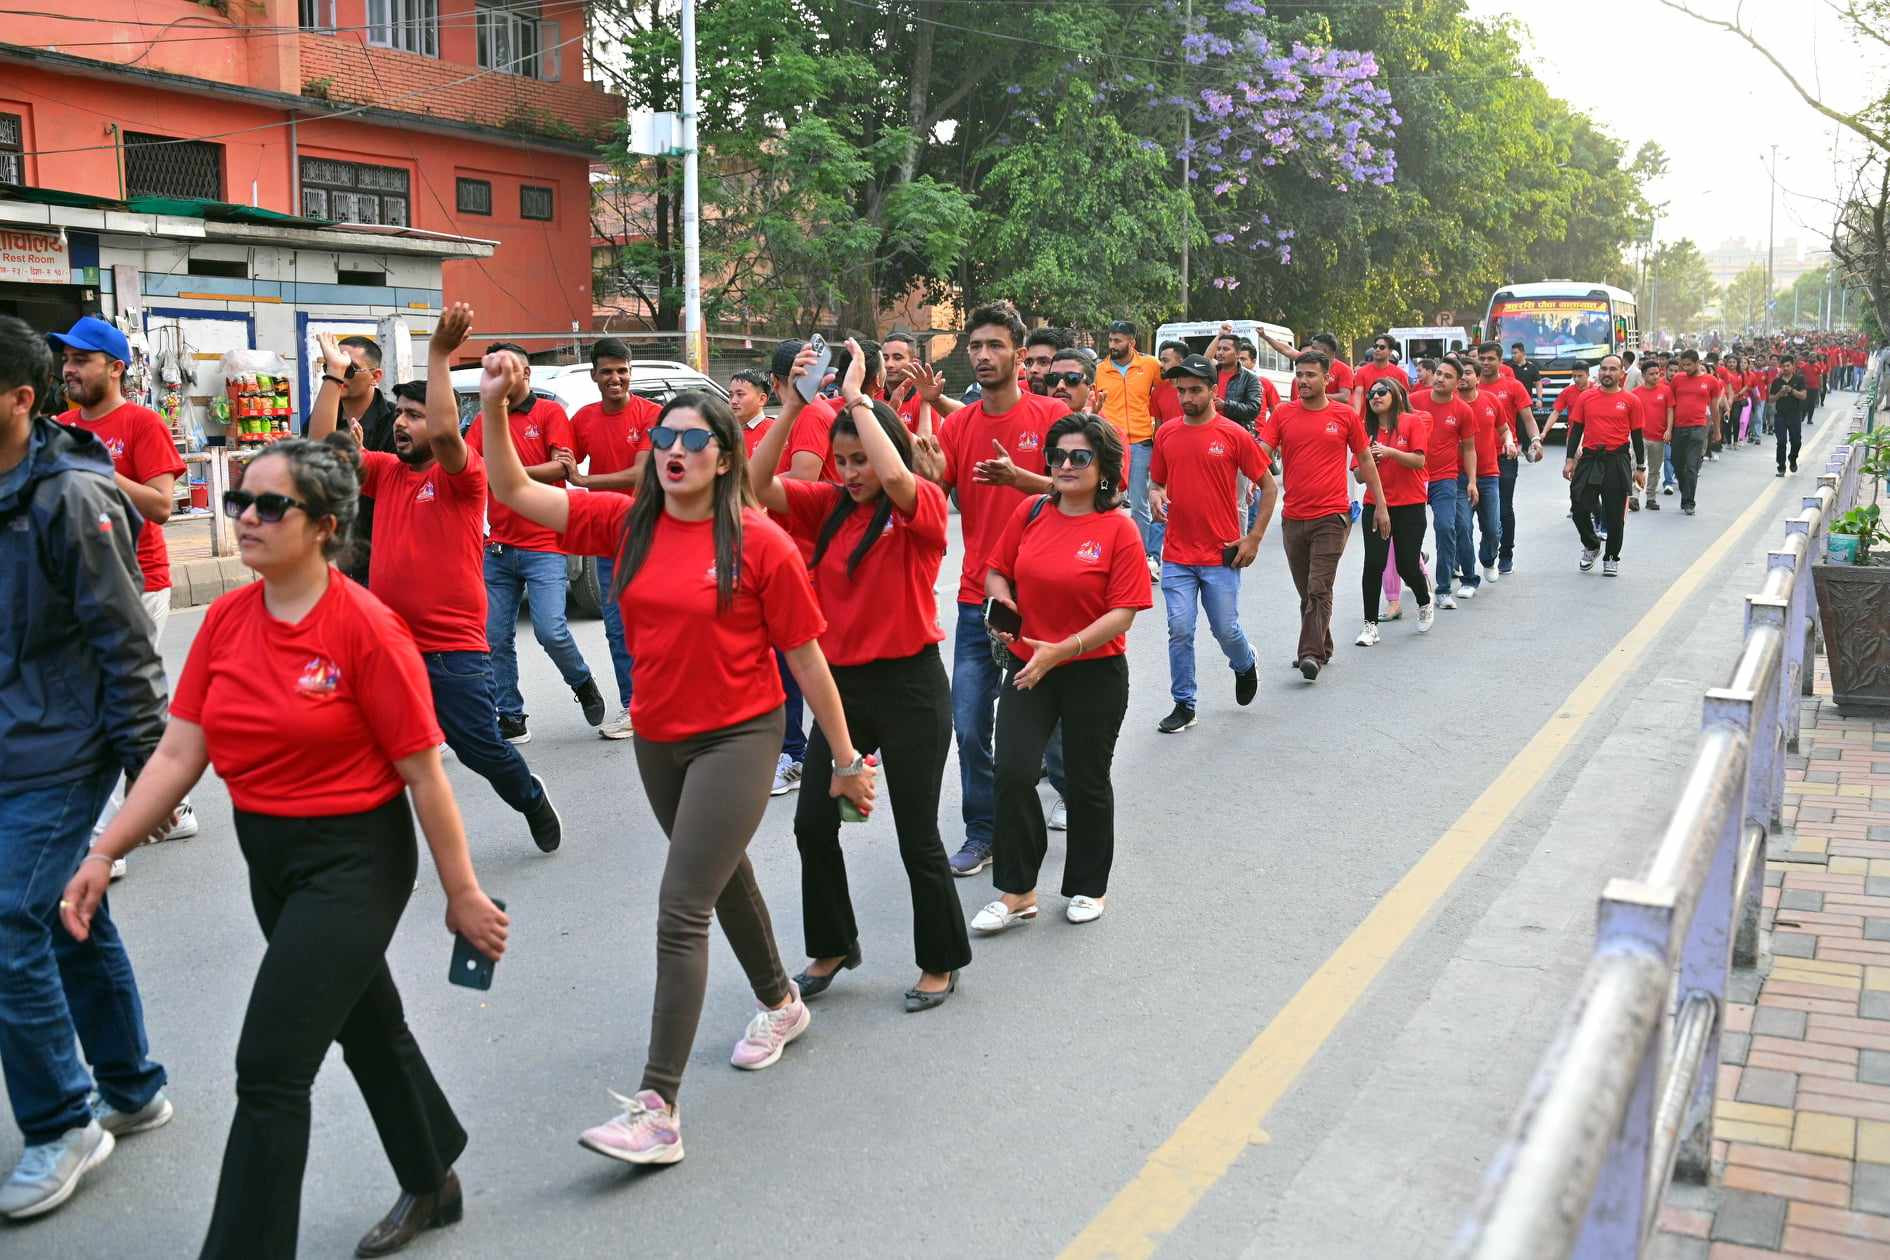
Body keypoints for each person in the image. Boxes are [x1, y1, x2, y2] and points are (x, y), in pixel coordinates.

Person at [64, 435, 509, 1257]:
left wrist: (463, 891)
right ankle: (433, 1173)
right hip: (270, 857)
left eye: (273, 505)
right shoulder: (230, 620)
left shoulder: (367, 630)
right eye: (240, 501)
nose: (248, 518)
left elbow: (425, 775)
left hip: (356, 860)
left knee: (271, 1069)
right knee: (367, 1024)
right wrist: (102, 850)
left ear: (325, 525)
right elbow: (177, 754)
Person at [482, 359, 875, 1167]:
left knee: (681, 905)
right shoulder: (629, 524)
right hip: (661, 740)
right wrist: (490, 406)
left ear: (725, 457)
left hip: (739, 734)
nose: (676, 450)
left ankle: (658, 1108)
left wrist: (843, 759)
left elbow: (806, 661)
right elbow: (517, 493)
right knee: (720, 876)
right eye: (666, 438)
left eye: (696, 440)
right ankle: (780, 1000)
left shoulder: (759, 542)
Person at [0, 316, 171, 1222]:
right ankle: (132, 1086)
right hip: (10, 733)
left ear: (21, 401)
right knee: (67, 908)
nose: (74, 368)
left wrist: (152, 778)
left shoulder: (72, 493)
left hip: (65, 746)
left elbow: (126, 640)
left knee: (9, 920)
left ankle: (62, 1122)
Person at [749, 340, 968, 1011]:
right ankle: (834, 945)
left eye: (860, 460)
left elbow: (900, 480)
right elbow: (757, 487)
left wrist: (856, 399)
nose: (849, 472)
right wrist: (790, 409)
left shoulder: (918, 506)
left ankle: (941, 960)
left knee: (916, 834)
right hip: (844, 693)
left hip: (910, 688)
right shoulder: (829, 507)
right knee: (813, 822)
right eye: (841, 461)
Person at [309, 309, 564, 854]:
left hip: (451, 650)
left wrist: (441, 353)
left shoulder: (463, 476)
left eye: (414, 415)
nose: (401, 423)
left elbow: (449, 433)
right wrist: (333, 376)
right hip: (390, 646)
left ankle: (529, 796)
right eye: (399, 413)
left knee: (480, 750)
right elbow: (322, 451)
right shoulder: (387, 471)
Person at [971, 412, 1151, 932]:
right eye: (1058, 456)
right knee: (1013, 772)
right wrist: (1001, 599)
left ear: (1104, 467)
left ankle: (1089, 887)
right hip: (1031, 667)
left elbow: (1125, 610)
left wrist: (1063, 648)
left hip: (1093, 670)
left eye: (1080, 456)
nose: (1067, 465)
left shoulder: (1118, 528)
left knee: (1086, 780)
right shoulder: (1031, 511)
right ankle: (1018, 891)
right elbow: (997, 569)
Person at [51, 316, 199, 860]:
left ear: (115, 367)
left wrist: (97, 467)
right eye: (66, 359)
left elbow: (162, 505)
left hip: (138, 580)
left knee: (102, 700)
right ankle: (170, 807)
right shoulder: (59, 425)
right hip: (74, 582)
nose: (69, 369)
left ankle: (98, 842)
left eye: (81, 359)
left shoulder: (142, 424)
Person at [933, 303, 1070, 877]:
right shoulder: (957, 425)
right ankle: (982, 828)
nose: (984, 356)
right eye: (976, 346)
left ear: (1018, 352)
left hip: (1044, 602)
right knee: (967, 722)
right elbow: (928, 487)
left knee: (1052, 726)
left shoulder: (1054, 415)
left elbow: (1086, 488)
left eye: (995, 345)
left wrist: (1024, 479)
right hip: (976, 602)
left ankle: (1079, 800)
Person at [464, 342, 606, 742]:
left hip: (544, 542)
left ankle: (582, 682)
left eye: (513, 370)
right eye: (496, 372)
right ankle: (511, 715)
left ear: (526, 374)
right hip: (498, 547)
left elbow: (562, 466)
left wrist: (508, 473)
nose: (505, 378)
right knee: (494, 638)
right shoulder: (485, 420)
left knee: (550, 629)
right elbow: (472, 465)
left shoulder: (548, 413)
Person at [1148, 355, 1274, 733]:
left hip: (1221, 554)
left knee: (1225, 629)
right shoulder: (1166, 434)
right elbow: (1156, 483)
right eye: (1181, 390)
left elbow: (1268, 488)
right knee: (1180, 628)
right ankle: (1184, 704)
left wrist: (1253, 538)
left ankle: (1244, 663)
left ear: (1213, 391)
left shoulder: (1233, 435)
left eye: (1195, 390)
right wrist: (1155, 496)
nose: (1186, 397)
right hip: (1178, 555)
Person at [1258, 351, 1389, 679]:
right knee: (1307, 591)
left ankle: (1310, 653)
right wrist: (1250, 478)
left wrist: (1381, 505)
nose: (1303, 381)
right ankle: (1322, 642)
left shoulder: (1345, 416)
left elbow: (1366, 460)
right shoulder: (1284, 415)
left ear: (1327, 378)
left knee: (1319, 586)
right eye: (1299, 374)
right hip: (1293, 516)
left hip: (1332, 516)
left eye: (1310, 375)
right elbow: (1262, 452)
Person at [561, 337, 663, 740]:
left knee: (658, 621)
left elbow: (641, 473)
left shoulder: (651, 413)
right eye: (607, 371)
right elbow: (562, 461)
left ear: (630, 372)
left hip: (650, 530)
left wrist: (585, 480)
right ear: (594, 376)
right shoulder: (583, 418)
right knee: (617, 625)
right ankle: (632, 706)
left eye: (622, 371)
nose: (615, 378)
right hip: (607, 536)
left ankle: (667, 698)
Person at [1353, 378, 1433, 644]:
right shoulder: (1365, 430)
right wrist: (1369, 461)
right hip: (1374, 506)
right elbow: (1357, 475)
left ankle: (1424, 600)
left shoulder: (1411, 422)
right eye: (1371, 394)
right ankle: (1369, 625)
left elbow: (1419, 460)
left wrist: (1389, 452)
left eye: (1381, 391)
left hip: (1409, 505)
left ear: (1396, 394)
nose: (1375, 396)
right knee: (1373, 564)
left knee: (1407, 566)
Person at [1087, 320, 1165, 577]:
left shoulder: (1150, 366)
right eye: (1110, 340)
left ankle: (1141, 558)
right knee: (1107, 498)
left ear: (1132, 342)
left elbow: (1168, 392)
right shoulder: (1100, 370)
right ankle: (1106, 556)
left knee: (1140, 502)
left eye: (1118, 340)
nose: (1113, 345)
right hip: (1110, 443)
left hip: (1141, 442)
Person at [323, 335, 398, 583]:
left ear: (376, 377)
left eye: (350, 368)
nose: (341, 374)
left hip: (382, 557)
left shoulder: (396, 423)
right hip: (333, 556)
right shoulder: (322, 420)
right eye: (333, 366)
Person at [1563, 354, 1646, 576]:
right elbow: (1577, 430)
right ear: (1598, 372)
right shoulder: (1586, 397)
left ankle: (1611, 557)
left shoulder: (1631, 401)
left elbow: (1637, 436)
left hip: (1617, 460)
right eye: (1603, 369)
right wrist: (1570, 459)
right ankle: (1591, 545)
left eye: (1612, 369)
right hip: (1590, 458)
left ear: (1621, 374)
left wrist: (1641, 468)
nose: (1607, 373)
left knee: (1614, 514)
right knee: (1579, 505)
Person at [1477, 341, 1543, 579]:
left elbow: (1527, 418)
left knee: (1503, 508)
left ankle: (1505, 555)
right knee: (1468, 512)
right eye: (1482, 358)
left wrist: (1535, 439)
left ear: (1500, 360)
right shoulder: (1468, 386)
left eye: (1490, 358)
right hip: (1472, 458)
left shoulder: (1513, 386)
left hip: (1505, 455)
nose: (1485, 363)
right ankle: (1465, 556)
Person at [1421, 358, 1477, 612]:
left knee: (1446, 527)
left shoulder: (1463, 410)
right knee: (1406, 533)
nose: (1441, 378)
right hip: (1413, 476)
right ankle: (1416, 570)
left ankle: (1443, 589)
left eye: (1448, 376)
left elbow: (1469, 449)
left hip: (1445, 478)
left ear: (1457, 383)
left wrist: (1472, 481)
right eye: (1439, 373)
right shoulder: (1415, 401)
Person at [1453, 357, 1504, 597]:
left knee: (1492, 528)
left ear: (1477, 377)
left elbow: (1504, 429)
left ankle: (1489, 557)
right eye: (1459, 374)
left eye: (1467, 373)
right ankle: (1468, 579)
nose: (1463, 377)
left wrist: (1511, 442)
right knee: (1462, 527)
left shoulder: (1491, 401)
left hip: (1489, 474)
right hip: (1456, 477)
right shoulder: (1449, 404)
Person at [1666, 348, 1719, 514]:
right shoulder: (1677, 379)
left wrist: (1717, 430)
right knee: (1676, 462)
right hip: (1678, 428)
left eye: (1689, 365)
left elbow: (1715, 408)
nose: (1685, 368)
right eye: (1683, 365)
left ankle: (1689, 502)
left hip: (1698, 428)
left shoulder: (1710, 381)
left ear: (1698, 363)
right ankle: (1684, 489)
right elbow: (1670, 405)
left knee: (1691, 466)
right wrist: (1668, 427)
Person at [1632, 359, 1675, 512]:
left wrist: (1669, 430)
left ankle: (1650, 498)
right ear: (1643, 375)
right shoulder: (1635, 393)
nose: (1655, 376)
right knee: (1638, 467)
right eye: (1651, 374)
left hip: (1659, 437)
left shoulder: (1666, 391)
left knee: (1655, 470)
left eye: (1657, 373)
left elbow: (1670, 411)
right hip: (1640, 437)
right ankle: (1635, 497)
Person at [1771, 353, 1809, 476]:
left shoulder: (1799, 379)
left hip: (1794, 415)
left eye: (1788, 366)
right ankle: (1781, 467)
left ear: (1793, 366)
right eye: (1783, 366)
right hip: (1780, 415)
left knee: (1796, 441)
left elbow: (1803, 396)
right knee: (1781, 441)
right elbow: (1771, 399)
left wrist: (1791, 390)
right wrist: (1780, 394)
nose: (1785, 368)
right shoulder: (1777, 381)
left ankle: (1792, 459)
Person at [730, 368, 774, 456]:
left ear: (762, 399)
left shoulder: (774, 433)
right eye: (730, 395)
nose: (733, 401)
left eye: (740, 394)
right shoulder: (725, 432)